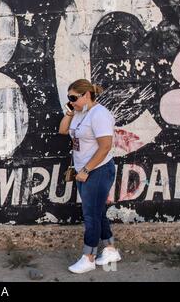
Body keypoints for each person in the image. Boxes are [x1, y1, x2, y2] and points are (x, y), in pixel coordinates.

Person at [58, 79, 121, 274]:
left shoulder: (99, 114)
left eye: (73, 98)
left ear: (86, 95)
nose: (71, 101)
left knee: (91, 215)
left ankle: (89, 257)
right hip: (84, 171)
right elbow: (62, 130)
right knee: (97, 211)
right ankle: (110, 250)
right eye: (69, 98)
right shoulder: (79, 112)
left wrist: (86, 170)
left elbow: (105, 146)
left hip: (98, 170)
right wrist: (70, 110)